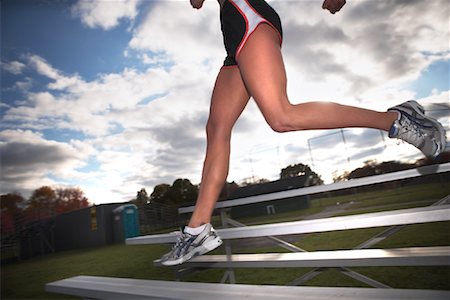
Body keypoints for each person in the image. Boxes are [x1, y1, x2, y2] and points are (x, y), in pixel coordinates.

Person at [158, 0, 446, 266]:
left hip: (249, 17)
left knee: (281, 116)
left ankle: (396, 120)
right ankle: (197, 230)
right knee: (217, 129)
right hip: (233, 34)